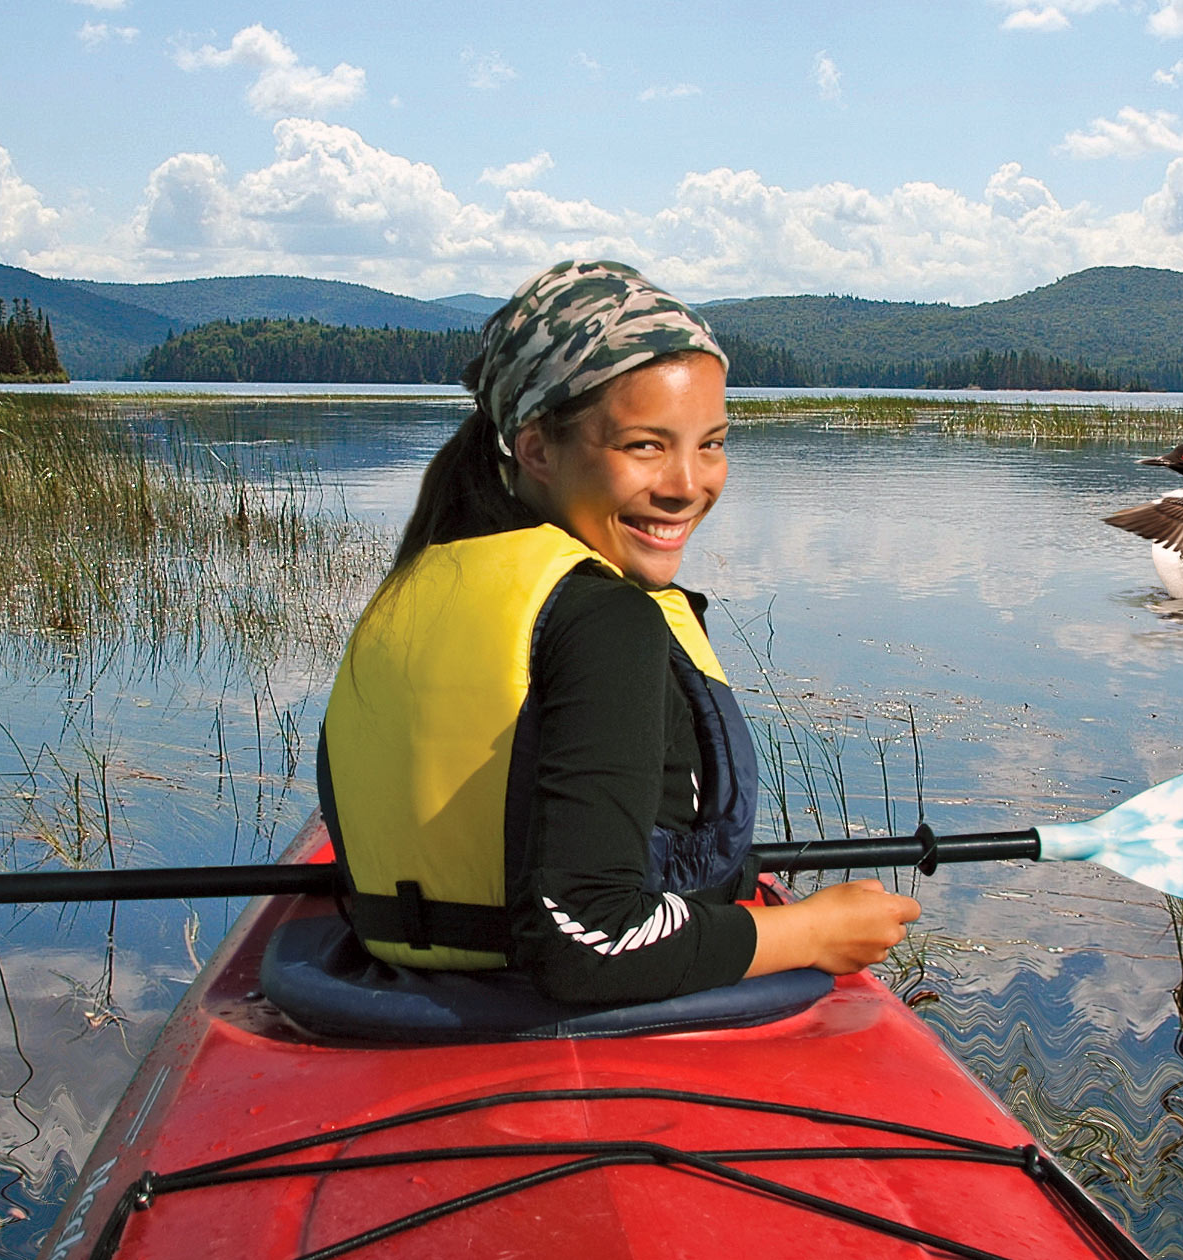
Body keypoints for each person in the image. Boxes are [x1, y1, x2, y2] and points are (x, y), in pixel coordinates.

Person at [319, 260, 920, 1006]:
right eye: (645, 445)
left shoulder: (409, 588)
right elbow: (587, 943)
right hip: (551, 1021)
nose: (686, 484)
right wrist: (814, 932)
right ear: (535, 447)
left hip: (390, 997)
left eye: (711, 443)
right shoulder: (606, 620)